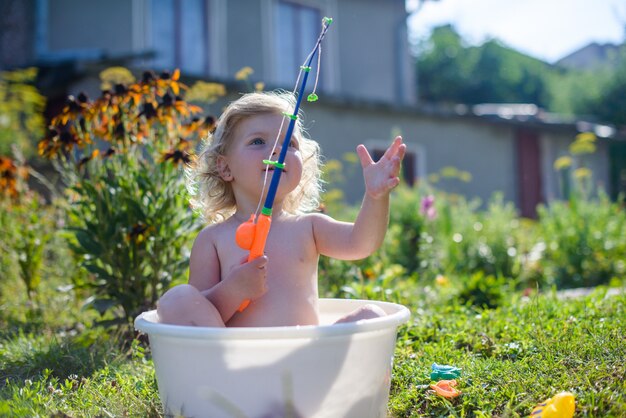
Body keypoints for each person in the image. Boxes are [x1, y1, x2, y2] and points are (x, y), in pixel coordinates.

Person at [157, 91, 406, 327]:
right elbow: (195, 314)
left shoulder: (309, 227)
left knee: (371, 315)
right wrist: (232, 290)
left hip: (303, 357)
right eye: (258, 141)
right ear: (225, 168)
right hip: (237, 363)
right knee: (176, 299)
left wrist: (376, 196)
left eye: (290, 144)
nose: (277, 150)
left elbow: (361, 243)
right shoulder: (212, 239)